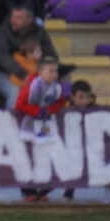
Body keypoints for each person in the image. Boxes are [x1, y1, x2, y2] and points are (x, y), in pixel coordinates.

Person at [14, 56, 67, 202]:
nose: (54, 74)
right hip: (29, 127)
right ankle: (28, 191)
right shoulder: (32, 85)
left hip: (46, 127)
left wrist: (50, 109)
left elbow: (61, 101)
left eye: (55, 71)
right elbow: (19, 104)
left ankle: (43, 190)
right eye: (51, 71)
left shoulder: (56, 86)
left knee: (46, 156)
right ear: (41, 72)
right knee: (29, 157)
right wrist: (37, 111)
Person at [0, 3, 60, 107]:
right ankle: (10, 121)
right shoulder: (3, 31)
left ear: (29, 20)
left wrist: (42, 68)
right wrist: (23, 74)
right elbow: (3, 58)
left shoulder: (40, 32)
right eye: (12, 16)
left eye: (18, 18)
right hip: (5, 74)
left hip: (35, 73)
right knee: (16, 92)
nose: (13, 20)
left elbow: (51, 56)